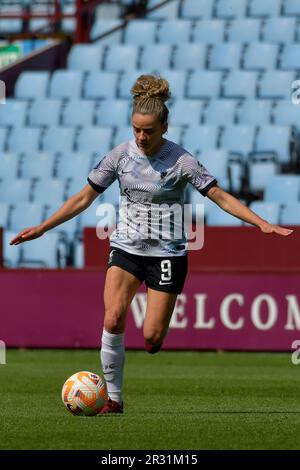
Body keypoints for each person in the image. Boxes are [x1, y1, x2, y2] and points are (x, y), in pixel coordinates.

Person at [10, 75, 293, 414]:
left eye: (149, 131)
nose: (142, 137)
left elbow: (219, 195)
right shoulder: (120, 156)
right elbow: (84, 197)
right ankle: (113, 400)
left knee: (152, 340)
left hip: (167, 255)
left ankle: (137, 361)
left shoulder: (182, 161)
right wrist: (44, 227)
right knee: (113, 318)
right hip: (126, 249)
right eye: (136, 130)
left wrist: (260, 222)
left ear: (165, 126)